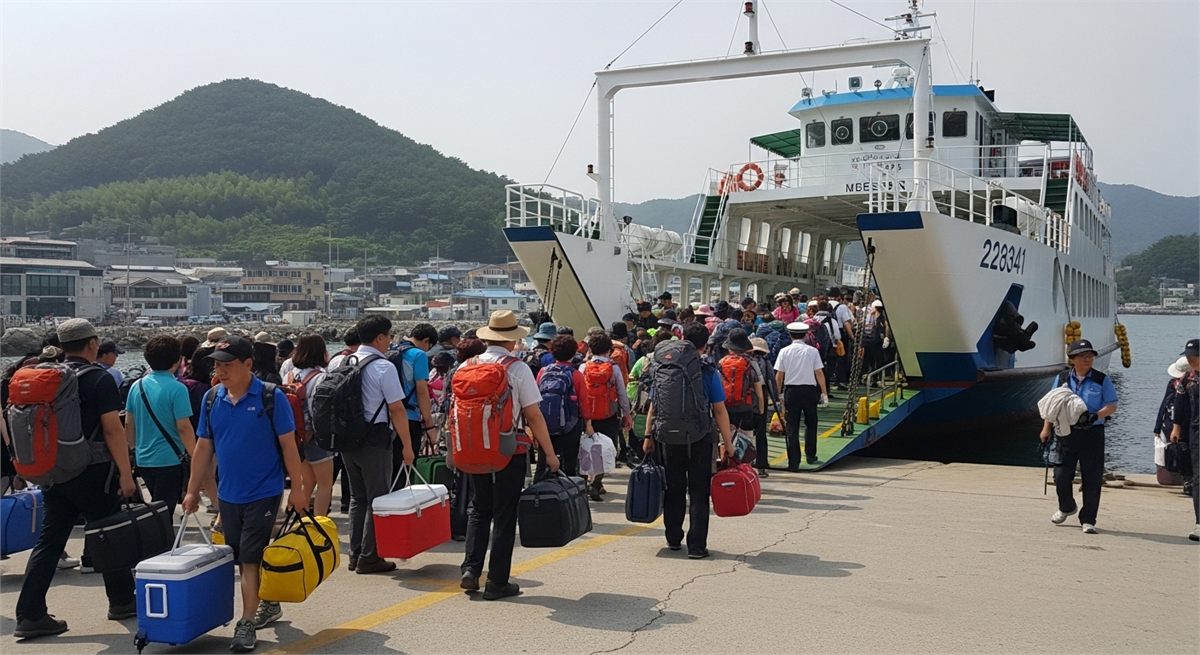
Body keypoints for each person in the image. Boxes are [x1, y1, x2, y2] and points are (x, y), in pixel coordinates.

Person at [14, 319, 137, 640]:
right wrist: (126, 473)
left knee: (50, 540)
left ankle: (30, 612)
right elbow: (113, 429)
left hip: (55, 471)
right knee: (110, 533)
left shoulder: (49, 377)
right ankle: (122, 602)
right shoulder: (99, 378)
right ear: (93, 344)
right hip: (93, 472)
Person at [183, 335, 307, 651]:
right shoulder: (212, 399)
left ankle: (247, 622)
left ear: (248, 364)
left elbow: (289, 446)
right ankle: (269, 602)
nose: (220, 370)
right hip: (229, 494)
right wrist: (192, 491)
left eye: (227, 365)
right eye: (217, 365)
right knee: (242, 556)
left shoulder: (270, 397)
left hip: (264, 491)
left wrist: (299, 490)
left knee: (249, 558)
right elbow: (203, 447)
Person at [459, 310, 560, 600]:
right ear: (512, 339)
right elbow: (533, 415)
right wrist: (549, 454)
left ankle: (471, 568)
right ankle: (497, 582)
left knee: (479, 509)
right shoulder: (517, 369)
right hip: (508, 448)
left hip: (473, 445)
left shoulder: (468, 365)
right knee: (504, 514)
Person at [642, 322, 734, 560]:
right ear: (706, 345)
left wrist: (648, 435)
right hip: (700, 437)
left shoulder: (665, 365)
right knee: (699, 491)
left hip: (667, 436)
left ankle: (673, 538)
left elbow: (654, 405)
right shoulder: (707, 370)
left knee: (673, 488)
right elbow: (720, 410)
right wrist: (728, 443)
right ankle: (696, 546)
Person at [337, 315, 415, 574]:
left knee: (358, 499)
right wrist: (407, 445)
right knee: (377, 499)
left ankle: (355, 553)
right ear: (380, 337)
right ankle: (369, 557)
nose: (390, 341)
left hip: (348, 440)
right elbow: (397, 409)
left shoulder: (344, 362)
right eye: (389, 336)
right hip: (374, 439)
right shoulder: (383, 367)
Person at [1039, 339, 1118, 535]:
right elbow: (1052, 404)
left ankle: (1088, 519)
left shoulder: (1101, 379)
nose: (1087, 359)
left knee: (1092, 477)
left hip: (1092, 433)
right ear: (1072, 359)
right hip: (1066, 432)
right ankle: (1066, 506)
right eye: (1083, 356)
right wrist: (1046, 428)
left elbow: (1112, 404)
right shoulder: (1063, 378)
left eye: (1090, 356)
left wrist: (1097, 415)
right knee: (1061, 475)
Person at [124, 335, 196, 517]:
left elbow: (128, 423)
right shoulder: (177, 389)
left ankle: (158, 542)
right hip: (170, 459)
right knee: (164, 510)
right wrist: (196, 455)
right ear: (177, 361)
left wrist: (133, 448)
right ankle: (161, 544)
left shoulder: (137, 385)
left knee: (157, 506)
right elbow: (184, 427)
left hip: (143, 459)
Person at [579, 333, 632, 501]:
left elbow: (580, 394)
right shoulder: (614, 367)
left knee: (585, 448)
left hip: (587, 416)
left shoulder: (583, 367)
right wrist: (627, 414)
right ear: (609, 350)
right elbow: (622, 394)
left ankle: (583, 482)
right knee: (604, 449)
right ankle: (596, 483)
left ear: (590, 349)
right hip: (609, 414)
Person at [288, 334, 335, 517]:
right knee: (325, 484)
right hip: (316, 437)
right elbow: (320, 410)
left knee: (306, 483)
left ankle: (301, 521)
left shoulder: (290, 375)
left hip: (296, 436)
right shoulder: (321, 377)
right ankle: (320, 523)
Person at [774, 322, 828, 470]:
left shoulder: (784, 351)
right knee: (811, 424)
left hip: (791, 391)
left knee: (792, 427)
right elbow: (819, 373)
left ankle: (794, 462)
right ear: (805, 335)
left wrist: (777, 394)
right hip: (810, 391)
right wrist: (824, 392)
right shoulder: (812, 351)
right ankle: (811, 455)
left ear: (790, 335)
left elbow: (779, 375)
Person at [535, 335, 589, 479]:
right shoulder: (576, 375)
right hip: (570, 424)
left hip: (545, 424)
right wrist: (587, 424)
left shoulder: (543, 372)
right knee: (568, 463)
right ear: (573, 353)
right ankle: (566, 494)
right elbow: (584, 402)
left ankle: (539, 493)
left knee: (543, 460)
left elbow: (535, 397)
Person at [391, 324, 438, 483]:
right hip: (410, 417)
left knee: (390, 468)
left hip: (387, 417)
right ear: (426, 340)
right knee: (406, 468)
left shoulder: (391, 350)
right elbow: (422, 391)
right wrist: (429, 424)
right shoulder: (418, 355)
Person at [1169, 338, 1200, 541]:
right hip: (1196, 431)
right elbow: (1179, 405)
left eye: (1194, 356)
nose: (1190, 359)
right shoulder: (1186, 380)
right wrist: (1176, 427)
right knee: (1198, 478)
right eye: (1188, 356)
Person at [718, 329, 764, 457]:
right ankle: (745, 467)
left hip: (726, 409)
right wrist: (761, 408)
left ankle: (727, 468)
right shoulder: (751, 363)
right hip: (746, 408)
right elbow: (758, 388)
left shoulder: (722, 362)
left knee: (726, 441)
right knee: (747, 440)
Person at [749, 336, 778, 477]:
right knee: (761, 434)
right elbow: (771, 380)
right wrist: (776, 399)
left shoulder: (744, 361)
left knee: (743, 434)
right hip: (761, 400)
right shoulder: (765, 362)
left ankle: (744, 465)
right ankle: (761, 466)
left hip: (745, 401)